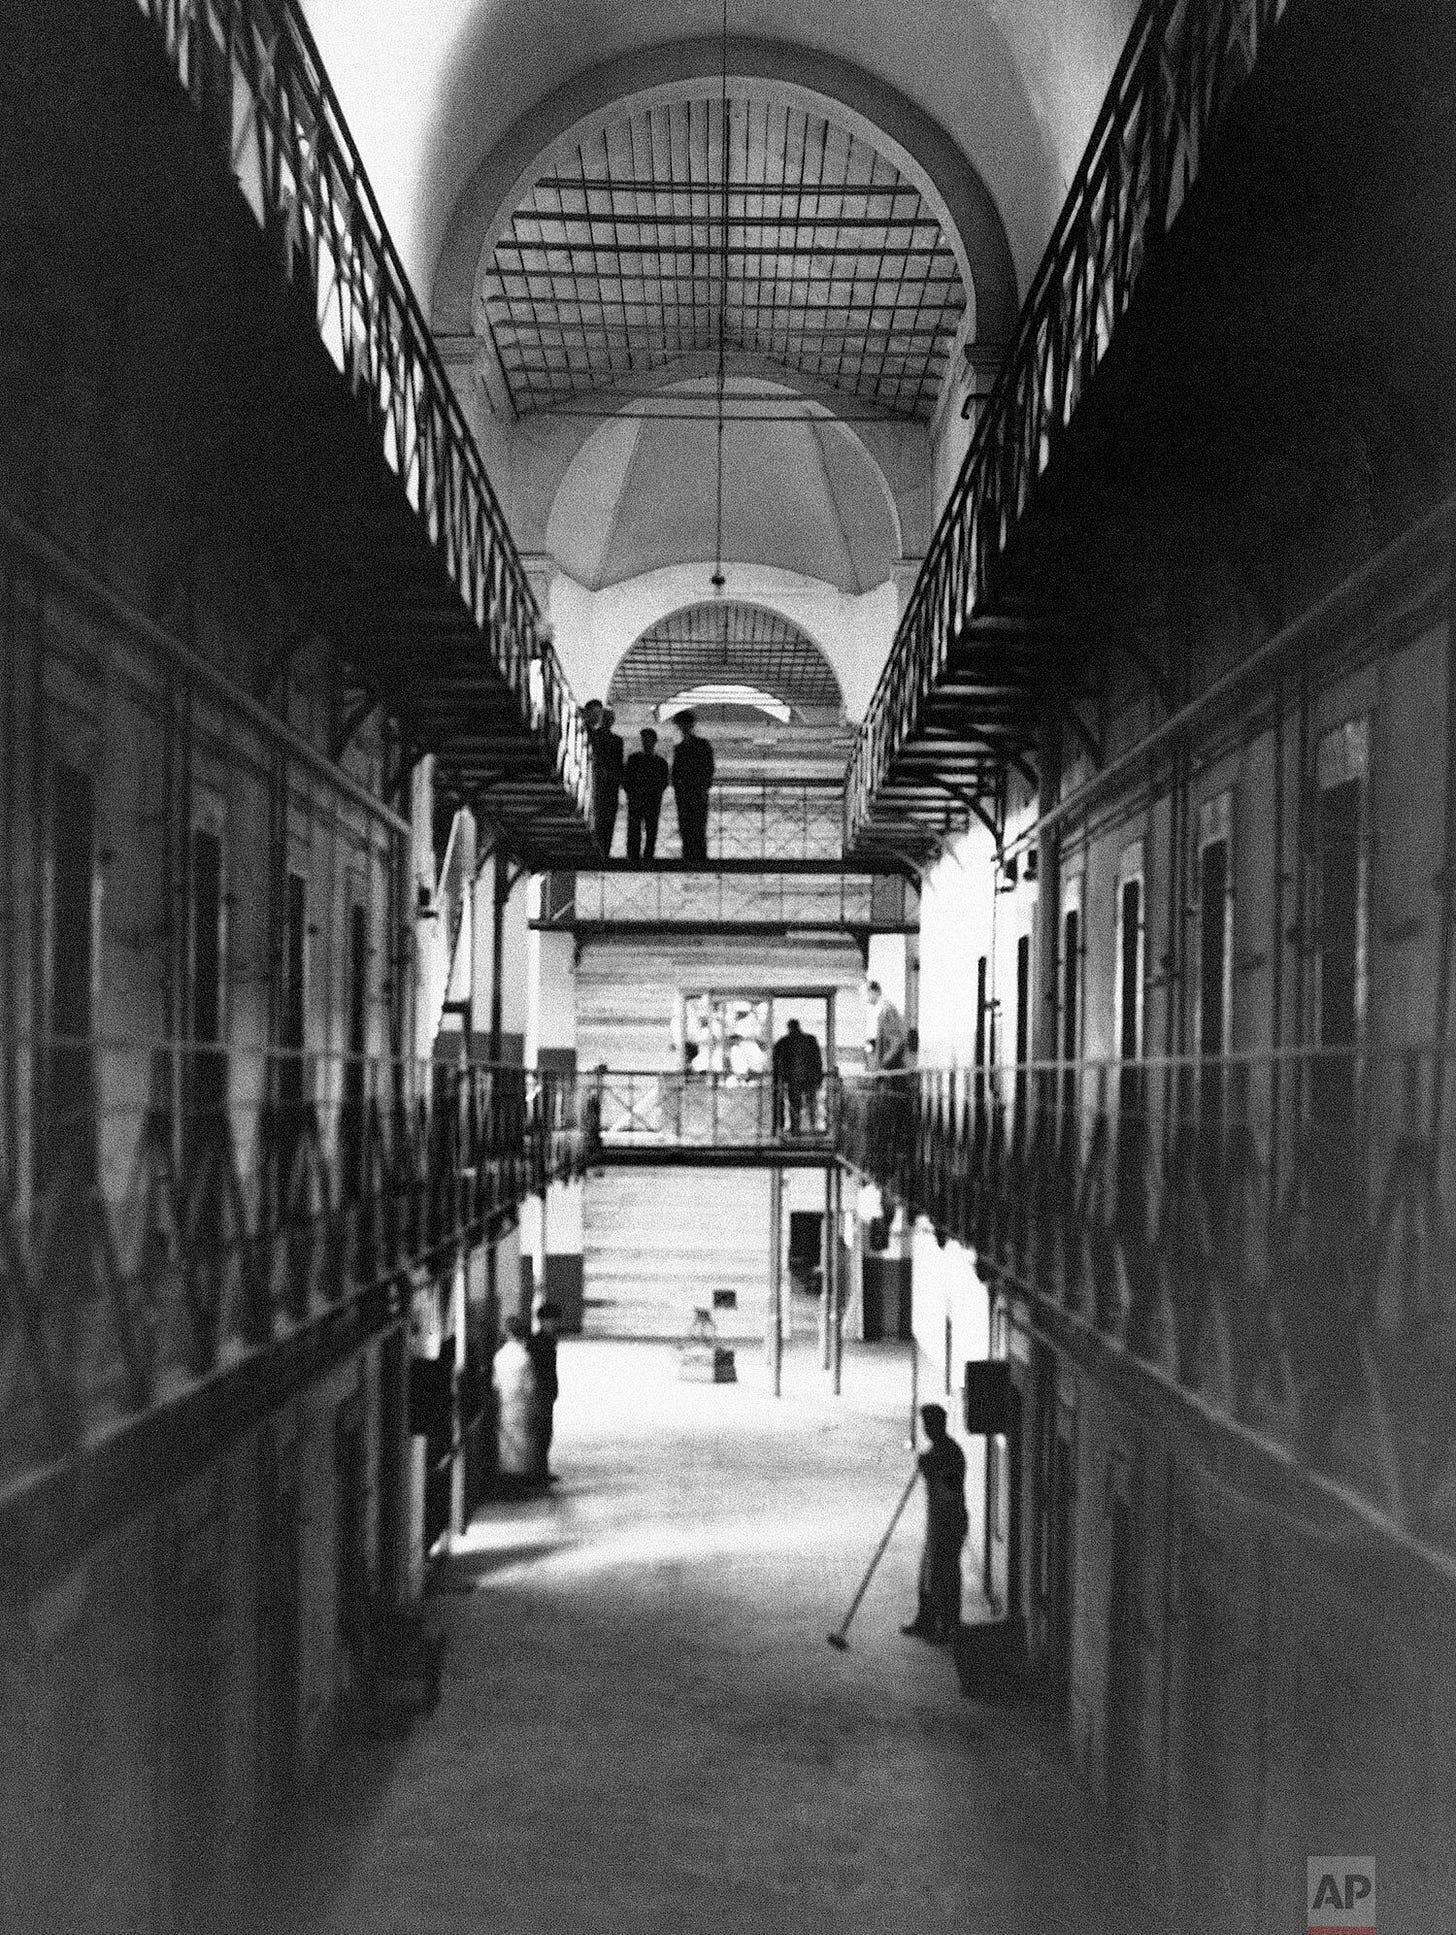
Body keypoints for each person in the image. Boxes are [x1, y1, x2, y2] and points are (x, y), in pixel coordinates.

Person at [902, 1404, 968, 1643]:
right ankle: (925, 1621)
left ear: (939, 1425)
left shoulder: (951, 1453)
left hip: (951, 1522)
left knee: (945, 1574)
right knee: (928, 1572)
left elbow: (950, 1489)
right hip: (938, 1521)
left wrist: (931, 1472)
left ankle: (948, 1626)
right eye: (925, 1425)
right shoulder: (935, 1451)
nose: (927, 1430)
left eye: (929, 1425)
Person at [492, 1314, 542, 1495]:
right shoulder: (525, 1358)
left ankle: (507, 1484)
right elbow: (531, 1386)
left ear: (506, 1334)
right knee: (522, 1446)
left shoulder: (499, 1356)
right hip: (522, 1406)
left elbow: (495, 1383)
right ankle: (520, 1485)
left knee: (506, 1446)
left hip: (504, 1405)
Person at [670, 709, 715, 862]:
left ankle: (691, 855)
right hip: (693, 792)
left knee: (692, 824)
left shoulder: (683, 747)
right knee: (694, 824)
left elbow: (708, 768)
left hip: (691, 792)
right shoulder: (701, 745)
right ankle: (695, 855)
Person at [623, 726, 670, 863]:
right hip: (649, 800)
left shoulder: (635, 759)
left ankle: (635, 855)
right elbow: (663, 782)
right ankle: (644, 856)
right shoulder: (660, 762)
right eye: (645, 740)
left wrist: (634, 792)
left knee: (640, 829)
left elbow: (627, 779)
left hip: (641, 799)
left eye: (648, 740)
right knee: (646, 829)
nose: (646, 743)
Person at [527, 1300, 562, 1481]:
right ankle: (539, 1472)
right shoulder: (539, 1342)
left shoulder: (548, 1341)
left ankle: (542, 1470)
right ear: (542, 1321)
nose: (554, 1324)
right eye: (551, 1320)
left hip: (546, 1394)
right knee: (541, 1433)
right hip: (540, 1394)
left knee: (546, 1433)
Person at [771, 1018, 824, 1135]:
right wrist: (819, 1077)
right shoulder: (810, 1039)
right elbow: (818, 1060)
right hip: (809, 1079)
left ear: (789, 1027)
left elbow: (776, 1062)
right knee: (811, 1104)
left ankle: (795, 1129)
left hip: (792, 1079)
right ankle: (812, 1128)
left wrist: (778, 1080)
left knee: (795, 1104)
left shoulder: (783, 1041)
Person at [587, 702, 625, 855]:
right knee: (605, 818)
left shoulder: (597, 736)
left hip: (605, 784)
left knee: (603, 817)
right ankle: (603, 850)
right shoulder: (614, 740)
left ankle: (601, 850)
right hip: (607, 784)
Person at [864, 979, 908, 1070]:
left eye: (867, 994)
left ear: (874, 992)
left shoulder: (887, 1010)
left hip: (892, 1067)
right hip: (890, 1064)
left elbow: (896, 1039)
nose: (866, 998)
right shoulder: (884, 1010)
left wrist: (884, 1061)